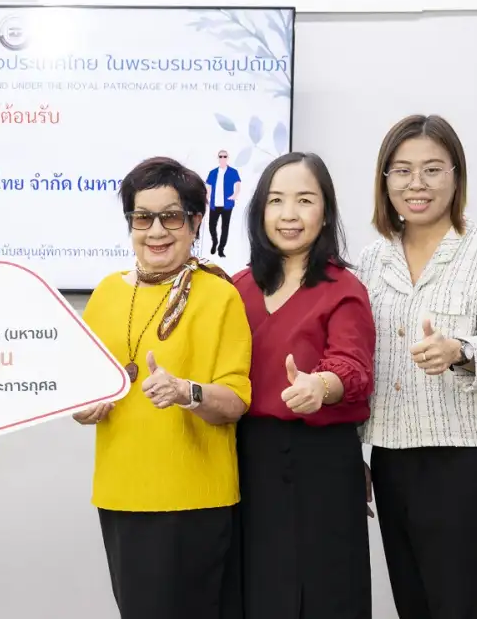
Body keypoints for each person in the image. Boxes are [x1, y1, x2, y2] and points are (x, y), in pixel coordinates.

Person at [356, 114, 477, 619]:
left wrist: (461, 350)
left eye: (432, 169)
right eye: (402, 170)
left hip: (463, 459)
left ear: (456, 176)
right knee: (412, 602)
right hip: (390, 456)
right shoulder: (370, 261)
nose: (417, 183)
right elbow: (356, 360)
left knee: (459, 605)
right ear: (385, 179)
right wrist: (351, 451)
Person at [74, 156, 252, 619]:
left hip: (193, 498)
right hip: (119, 493)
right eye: (142, 217)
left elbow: (235, 401)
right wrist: (84, 408)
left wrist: (186, 393)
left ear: (195, 222)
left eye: (171, 216)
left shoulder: (220, 294)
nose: (156, 230)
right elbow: (81, 394)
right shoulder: (106, 293)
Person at [231, 152, 375, 619]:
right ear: (259, 211)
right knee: (256, 589)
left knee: (325, 594)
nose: (289, 214)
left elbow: (352, 365)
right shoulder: (236, 288)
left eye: (305, 200)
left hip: (321, 463)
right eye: (276, 200)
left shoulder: (343, 288)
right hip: (247, 459)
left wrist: (321, 386)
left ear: (326, 212)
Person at [206, 149, 242, 257]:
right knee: (212, 226)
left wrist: (234, 196)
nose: (222, 158)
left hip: (227, 205)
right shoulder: (213, 172)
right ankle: (215, 242)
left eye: (224, 156)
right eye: (220, 156)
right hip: (214, 204)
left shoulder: (233, 172)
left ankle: (221, 249)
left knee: (225, 228)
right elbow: (208, 187)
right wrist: (207, 198)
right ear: (218, 158)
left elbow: (238, 185)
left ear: (227, 158)